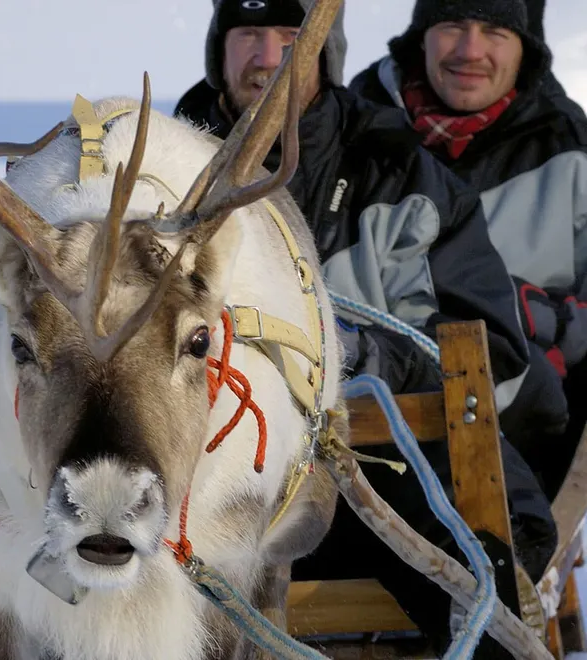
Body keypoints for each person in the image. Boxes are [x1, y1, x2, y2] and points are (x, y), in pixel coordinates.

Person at [174, 0, 559, 655]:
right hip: (199, 482)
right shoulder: (168, 173)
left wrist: (365, 356)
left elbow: (489, 352)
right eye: (248, 34)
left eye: (290, 36)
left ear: (324, 50)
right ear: (220, 48)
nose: (268, 58)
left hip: (372, 480)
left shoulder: (398, 169)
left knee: (485, 575)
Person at [349, 0, 587, 503]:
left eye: (495, 30)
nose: (470, 50)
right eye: (453, 25)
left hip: (531, 443)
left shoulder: (567, 147)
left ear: (526, 50)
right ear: (421, 37)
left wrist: (550, 322)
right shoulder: (359, 133)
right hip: (366, 438)